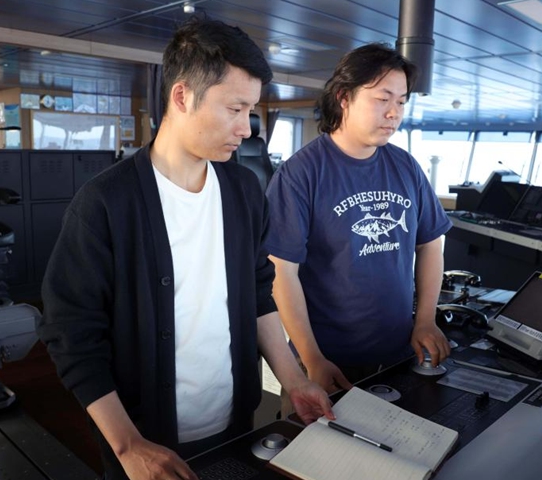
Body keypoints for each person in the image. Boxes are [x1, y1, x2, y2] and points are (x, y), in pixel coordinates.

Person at [38, 17, 333, 480]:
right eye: (234, 109)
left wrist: (294, 379)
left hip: (233, 421)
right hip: (141, 439)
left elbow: (259, 293)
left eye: (251, 111)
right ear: (181, 96)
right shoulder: (105, 203)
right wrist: (128, 443)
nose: (246, 128)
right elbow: (72, 335)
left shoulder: (244, 191)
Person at [265, 43, 453, 408]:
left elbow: (431, 244)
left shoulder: (407, 167)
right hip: (326, 360)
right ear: (344, 98)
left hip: (401, 351)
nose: (393, 113)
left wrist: (426, 320)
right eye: (382, 99)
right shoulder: (301, 173)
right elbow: (281, 272)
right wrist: (311, 356)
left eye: (401, 102)